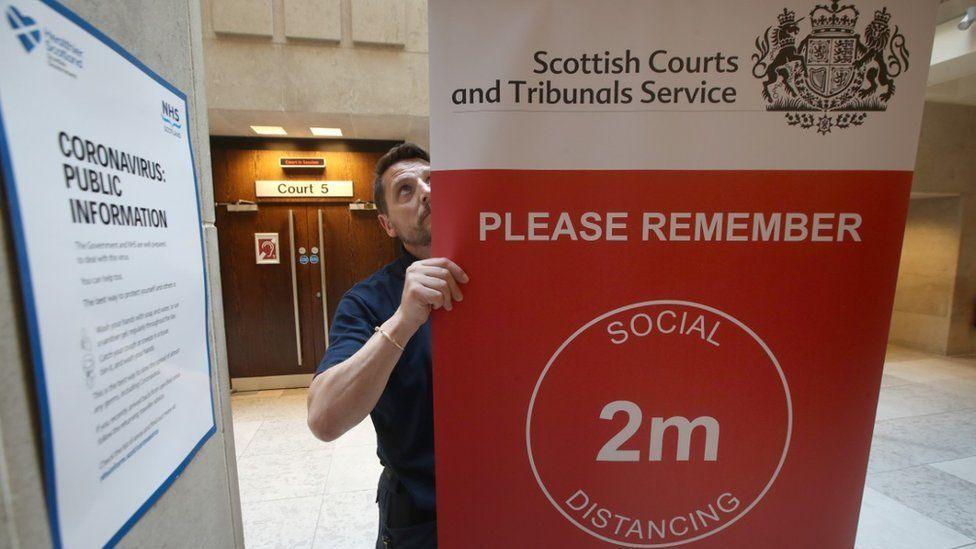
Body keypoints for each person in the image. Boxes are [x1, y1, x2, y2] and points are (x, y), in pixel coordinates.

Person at [307, 143, 466, 548]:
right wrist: (404, 319)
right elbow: (324, 419)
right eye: (406, 191)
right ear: (387, 225)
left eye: (433, 180)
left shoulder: (508, 277)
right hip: (420, 516)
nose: (426, 192)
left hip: (512, 502)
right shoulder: (367, 301)